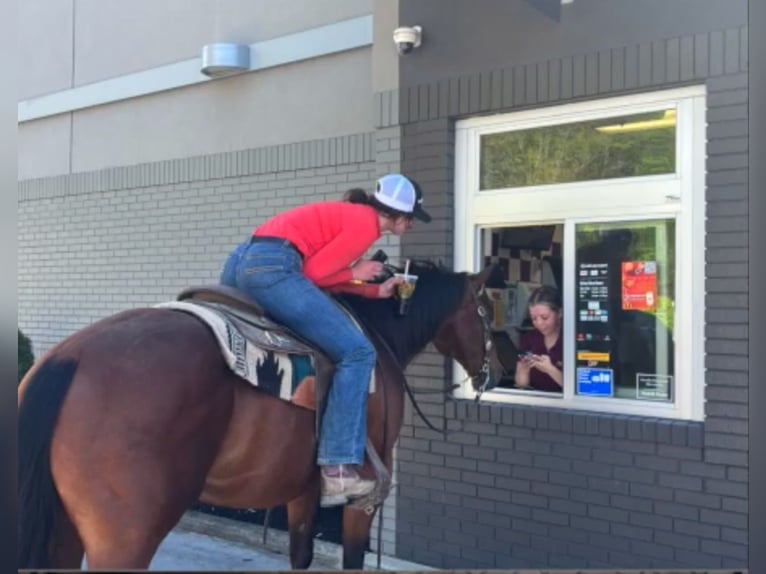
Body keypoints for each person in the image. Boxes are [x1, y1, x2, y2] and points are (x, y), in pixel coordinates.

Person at [219, 174, 431, 506]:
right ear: (398, 216)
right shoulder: (365, 226)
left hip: (243, 261)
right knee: (359, 353)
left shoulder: (351, 215)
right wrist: (356, 272)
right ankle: (337, 470)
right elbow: (314, 276)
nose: (412, 226)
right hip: (275, 268)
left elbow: (318, 281)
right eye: (412, 219)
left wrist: (373, 289)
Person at [514, 285, 563, 392]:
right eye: (534, 318)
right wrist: (523, 371)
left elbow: (579, 388)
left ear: (559, 313)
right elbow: (521, 385)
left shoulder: (570, 341)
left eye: (544, 317)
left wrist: (550, 370)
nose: (539, 323)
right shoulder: (529, 339)